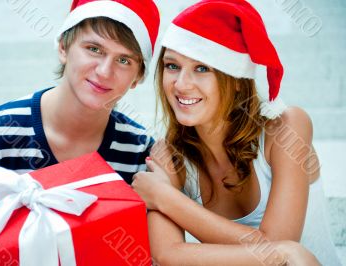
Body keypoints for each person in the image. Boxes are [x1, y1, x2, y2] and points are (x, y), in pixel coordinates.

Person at [0, 0, 160, 264]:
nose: (105, 71)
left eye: (124, 60)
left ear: (137, 77)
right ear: (63, 47)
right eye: (94, 49)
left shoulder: (140, 153)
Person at [133, 0, 340, 265]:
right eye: (172, 66)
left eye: (202, 68)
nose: (181, 84)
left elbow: (281, 249)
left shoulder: (286, 127)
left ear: (238, 83)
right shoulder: (170, 154)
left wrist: (166, 198)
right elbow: (165, 253)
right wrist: (280, 250)